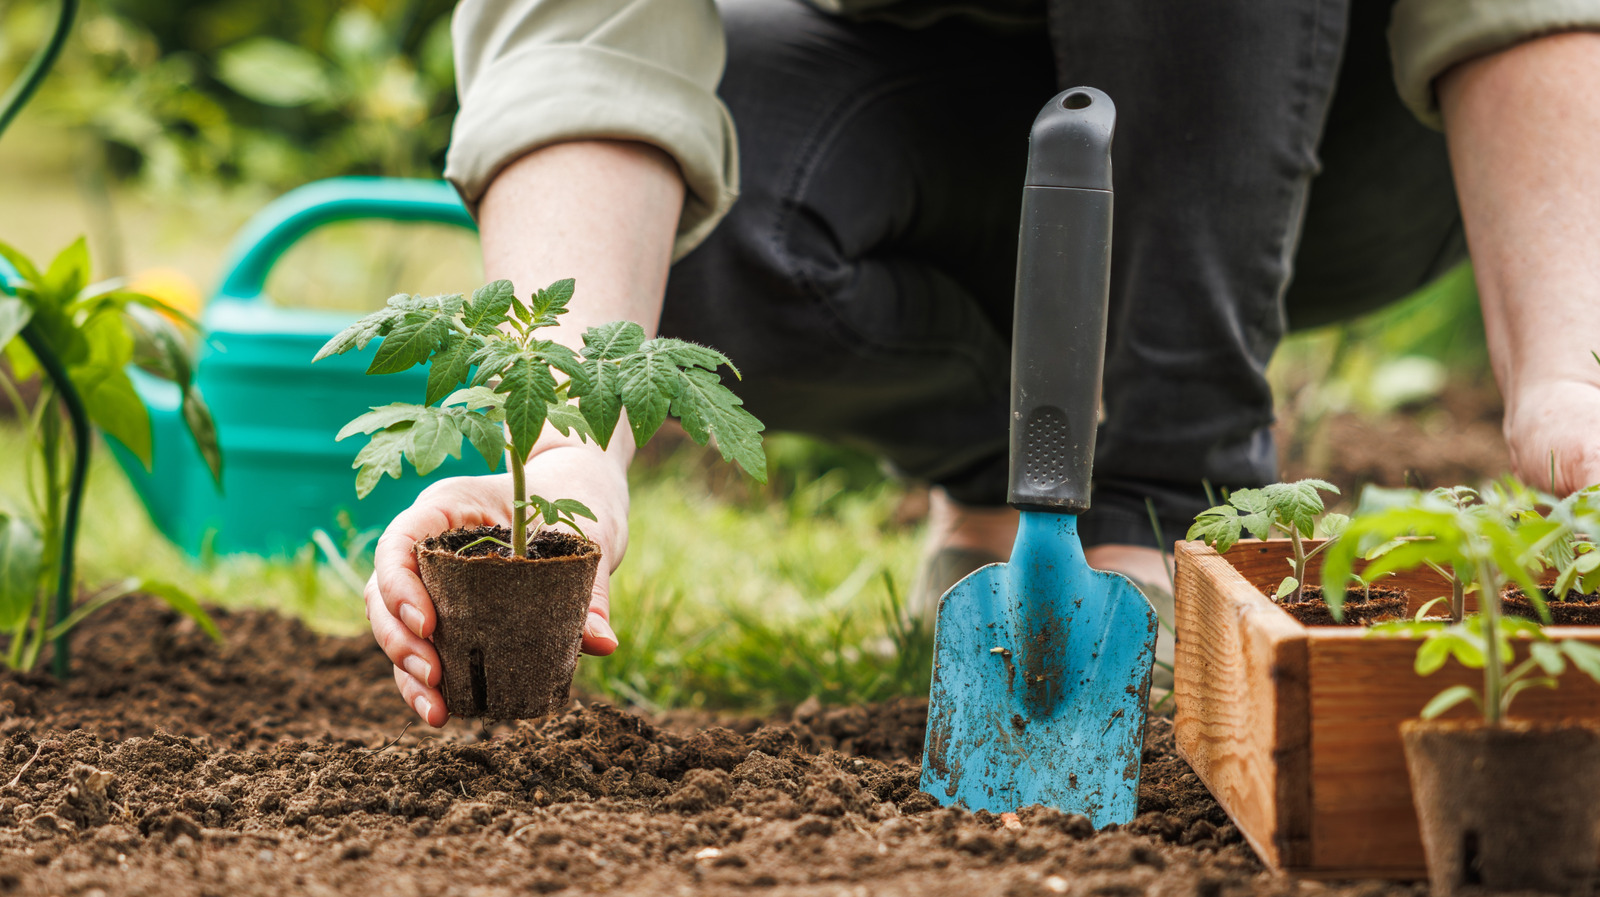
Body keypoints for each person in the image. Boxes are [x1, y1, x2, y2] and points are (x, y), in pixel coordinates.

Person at [366, 0, 1600, 727]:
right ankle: (1015, 477)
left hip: (1331, 120)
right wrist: (574, 460)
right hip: (936, 93)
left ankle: (1160, 497)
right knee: (714, 230)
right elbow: (585, 38)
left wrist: (1570, 375)